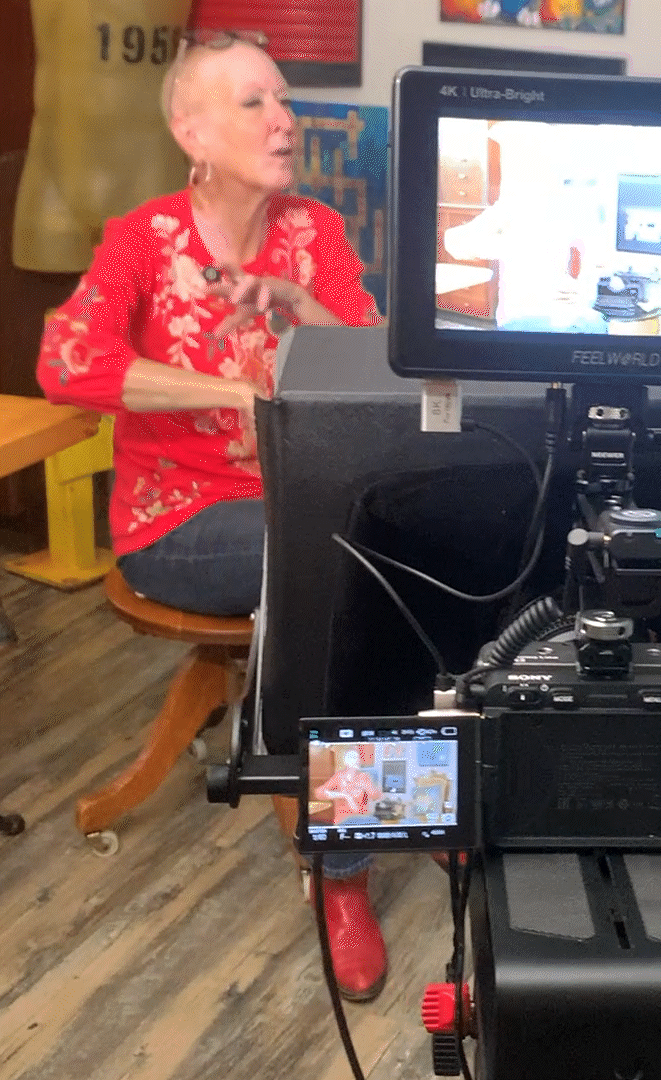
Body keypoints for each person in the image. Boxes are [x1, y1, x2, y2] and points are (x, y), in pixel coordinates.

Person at [36, 31, 387, 1002]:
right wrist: (233, 395)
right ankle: (345, 866)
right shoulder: (141, 240)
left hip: (301, 511)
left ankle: (396, 800)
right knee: (341, 567)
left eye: (283, 99)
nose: (284, 118)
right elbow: (67, 363)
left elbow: (375, 362)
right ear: (189, 130)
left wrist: (297, 301)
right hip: (179, 524)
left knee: (399, 551)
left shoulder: (312, 234)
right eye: (253, 103)